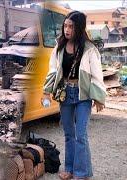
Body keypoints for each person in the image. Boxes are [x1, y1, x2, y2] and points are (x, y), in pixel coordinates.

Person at [42, 11, 106, 180]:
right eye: (65, 25)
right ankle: (69, 169)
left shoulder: (90, 49)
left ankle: (81, 173)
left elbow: (96, 74)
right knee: (69, 134)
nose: (67, 29)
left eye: (71, 26)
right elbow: (53, 71)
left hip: (83, 95)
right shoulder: (59, 47)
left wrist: (99, 97)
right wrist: (46, 92)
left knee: (81, 135)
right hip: (65, 94)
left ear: (79, 28)